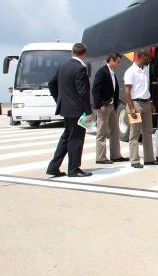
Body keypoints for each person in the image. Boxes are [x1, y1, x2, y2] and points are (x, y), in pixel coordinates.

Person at [46, 43, 94, 178]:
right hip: (77, 110)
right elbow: (83, 92)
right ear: (84, 54)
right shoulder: (80, 68)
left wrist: (59, 100)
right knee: (76, 139)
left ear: (73, 52)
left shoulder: (62, 66)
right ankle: (73, 169)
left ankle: (53, 166)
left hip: (65, 109)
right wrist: (88, 112)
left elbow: (51, 84)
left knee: (66, 137)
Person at [124, 50, 158, 168]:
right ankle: (134, 161)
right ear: (142, 56)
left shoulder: (145, 70)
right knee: (135, 133)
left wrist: (151, 102)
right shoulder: (130, 71)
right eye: (148, 57)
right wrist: (131, 108)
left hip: (146, 103)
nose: (150, 59)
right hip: (135, 104)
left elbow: (145, 89)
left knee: (148, 132)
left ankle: (149, 159)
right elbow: (126, 91)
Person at [92, 52, 129, 164]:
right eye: (117, 62)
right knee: (102, 132)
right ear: (111, 60)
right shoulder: (102, 72)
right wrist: (100, 105)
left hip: (112, 106)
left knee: (115, 131)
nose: (119, 64)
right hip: (103, 107)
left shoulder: (112, 73)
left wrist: (115, 105)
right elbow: (95, 90)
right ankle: (101, 157)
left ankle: (116, 155)